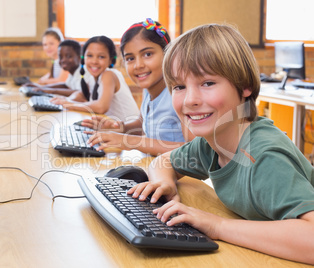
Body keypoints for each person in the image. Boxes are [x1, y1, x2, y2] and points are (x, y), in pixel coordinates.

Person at [128, 24, 314, 265]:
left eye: (207, 83)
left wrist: (216, 225)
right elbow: (164, 161)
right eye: (179, 87)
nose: (191, 100)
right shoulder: (211, 143)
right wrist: (164, 183)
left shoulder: (264, 158)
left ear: (245, 86)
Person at [83, 18, 189, 156]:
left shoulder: (180, 95)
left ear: (168, 54)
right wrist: (119, 128)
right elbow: (141, 124)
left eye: (147, 54)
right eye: (130, 58)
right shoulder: (149, 90)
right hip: (154, 166)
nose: (138, 65)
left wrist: (131, 141)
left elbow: (192, 151)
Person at [51, 35, 139, 122]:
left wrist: (70, 104)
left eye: (101, 57)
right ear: (83, 58)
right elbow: (81, 94)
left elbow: (101, 107)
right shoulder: (94, 77)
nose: (94, 61)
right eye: (89, 55)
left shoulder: (109, 74)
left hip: (129, 132)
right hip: (115, 129)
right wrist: (67, 100)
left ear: (110, 60)